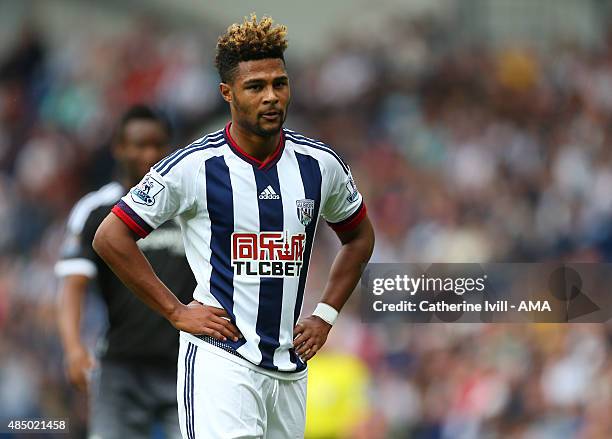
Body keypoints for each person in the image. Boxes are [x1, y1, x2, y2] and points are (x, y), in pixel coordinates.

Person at [93, 15, 375, 439]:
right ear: (227, 93)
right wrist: (175, 310)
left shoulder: (320, 165)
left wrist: (325, 314)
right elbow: (111, 236)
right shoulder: (193, 167)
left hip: (289, 369)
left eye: (279, 83)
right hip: (220, 360)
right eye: (255, 87)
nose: (271, 97)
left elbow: (358, 237)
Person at [55, 105, 196, 439]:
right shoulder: (98, 211)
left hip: (188, 365)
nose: (149, 154)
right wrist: (74, 348)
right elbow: (72, 284)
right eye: (139, 144)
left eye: (158, 144)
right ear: (119, 148)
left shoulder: (191, 209)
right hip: (121, 367)